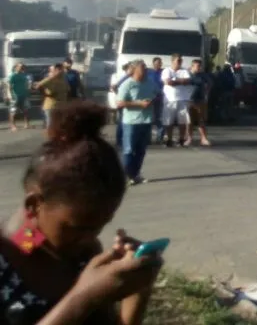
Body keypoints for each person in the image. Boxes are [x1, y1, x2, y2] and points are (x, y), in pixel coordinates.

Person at [0, 101, 162, 322]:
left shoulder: (79, 254)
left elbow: (29, 245)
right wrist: (83, 297)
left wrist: (137, 290)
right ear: (34, 205)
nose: (90, 239)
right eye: (79, 228)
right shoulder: (8, 257)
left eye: (100, 226)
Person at [117, 60, 160, 185]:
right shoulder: (127, 84)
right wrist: (139, 103)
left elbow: (158, 94)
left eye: (145, 68)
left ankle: (136, 174)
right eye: (142, 68)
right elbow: (119, 103)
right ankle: (126, 175)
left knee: (141, 150)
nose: (145, 70)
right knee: (129, 150)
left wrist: (153, 100)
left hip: (146, 120)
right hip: (131, 122)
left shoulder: (150, 82)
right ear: (134, 70)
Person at [160, 54, 193, 148]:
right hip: (170, 99)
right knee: (168, 121)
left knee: (182, 121)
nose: (180, 62)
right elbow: (167, 82)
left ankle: (181, 139)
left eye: (181, 60)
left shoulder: (184, 70)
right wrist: (180, 81)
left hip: (183, 99)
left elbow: (188, 81)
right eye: (178, 60)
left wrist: (175, 81)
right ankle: (169, 139)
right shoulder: (167, 70)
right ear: (173, 61)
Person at [34, 63, 70, 130]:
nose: (63, 71)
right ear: (57, 70)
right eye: (61, 69)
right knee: (51, 126)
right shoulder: (49, 79)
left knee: (61, 125)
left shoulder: (63, 80)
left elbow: (67, 91)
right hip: (51, 107)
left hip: (61, 106)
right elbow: (36, 86)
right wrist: (46, 94)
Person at [185, 60, 213, 147]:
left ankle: (203, 139)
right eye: (197, 66)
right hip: (189, 100)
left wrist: (206, 93)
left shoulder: (203, 75)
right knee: (189, 121)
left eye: (200, 66)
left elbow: (210, 84)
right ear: (192, 66)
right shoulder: (187, 74)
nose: (199, 68)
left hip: (200, 100)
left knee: (202, 120)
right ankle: (189, 138)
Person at [109, 63, 133, 148]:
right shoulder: (124, 77)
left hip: (129, 101)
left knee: (125, 121)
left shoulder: (129, 77)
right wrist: (119, 94)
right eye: (131, 68)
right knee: (122, 121)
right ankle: (120, 140)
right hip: (123, 102)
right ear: (127, 69)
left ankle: (123, 139)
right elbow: (114, 87)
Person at [7, 62, 31, 131]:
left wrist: (28, 91)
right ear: (16, 67)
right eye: (20, 67)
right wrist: (9, 95)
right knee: (13, 111)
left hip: (24, 95)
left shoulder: (24, 75)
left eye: (22, 67)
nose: (21, 68)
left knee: (26, 110)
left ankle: (26, 124)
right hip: (15, 96)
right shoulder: (12, 75)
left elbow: (26, 84)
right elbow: (9, 86)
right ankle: (13, 126)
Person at [147, 58, 164, 144]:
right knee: (149, 118)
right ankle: (147, 138)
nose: (158, 64)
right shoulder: (148, 72)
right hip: (150, 98)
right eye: (156, 63)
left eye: (159, 63)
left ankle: (159, 138)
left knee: (159, 118)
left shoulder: (164, 72)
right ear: (153, 64)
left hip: (161, 98)